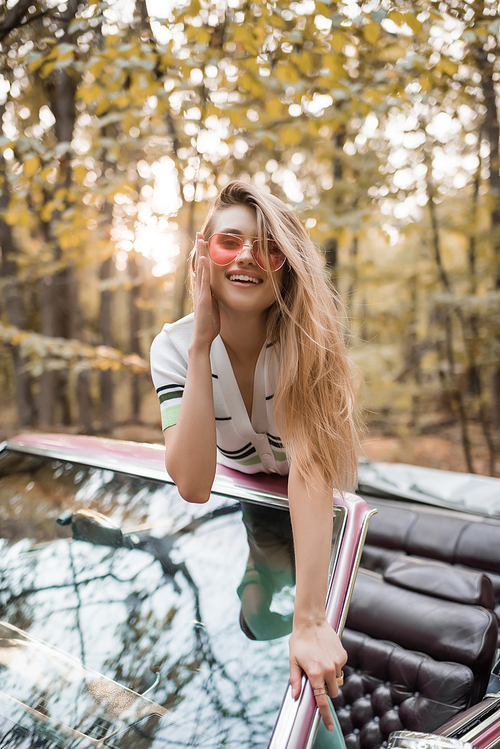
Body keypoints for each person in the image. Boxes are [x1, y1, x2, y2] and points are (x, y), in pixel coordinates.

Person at [150, 181, 360, 734]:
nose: (247, 256)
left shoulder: (309, 337)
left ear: (286, 265)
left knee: (322, 664)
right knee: (253, 626)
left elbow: (312, 469)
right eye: (230, 241)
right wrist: (200, 343)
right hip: (254, 512)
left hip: (325, 518)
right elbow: (194, 484)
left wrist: (311, 619)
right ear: (204, 251)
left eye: (268, 246)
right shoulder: (171, 348)